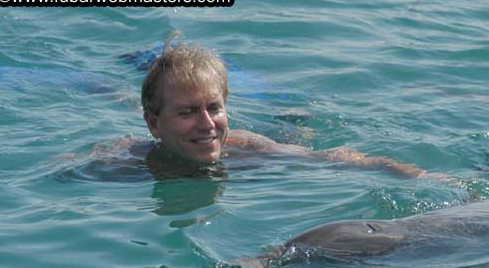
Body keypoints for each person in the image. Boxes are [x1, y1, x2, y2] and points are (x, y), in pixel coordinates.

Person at [139, 39, 443, 179]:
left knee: (294, 131)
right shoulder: (127, 165)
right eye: (187, 112)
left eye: (214, 108)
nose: (207, 123)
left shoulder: (249, 150)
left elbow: (333, 158)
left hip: (279, 138)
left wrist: (419, 177)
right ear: (153, 124)